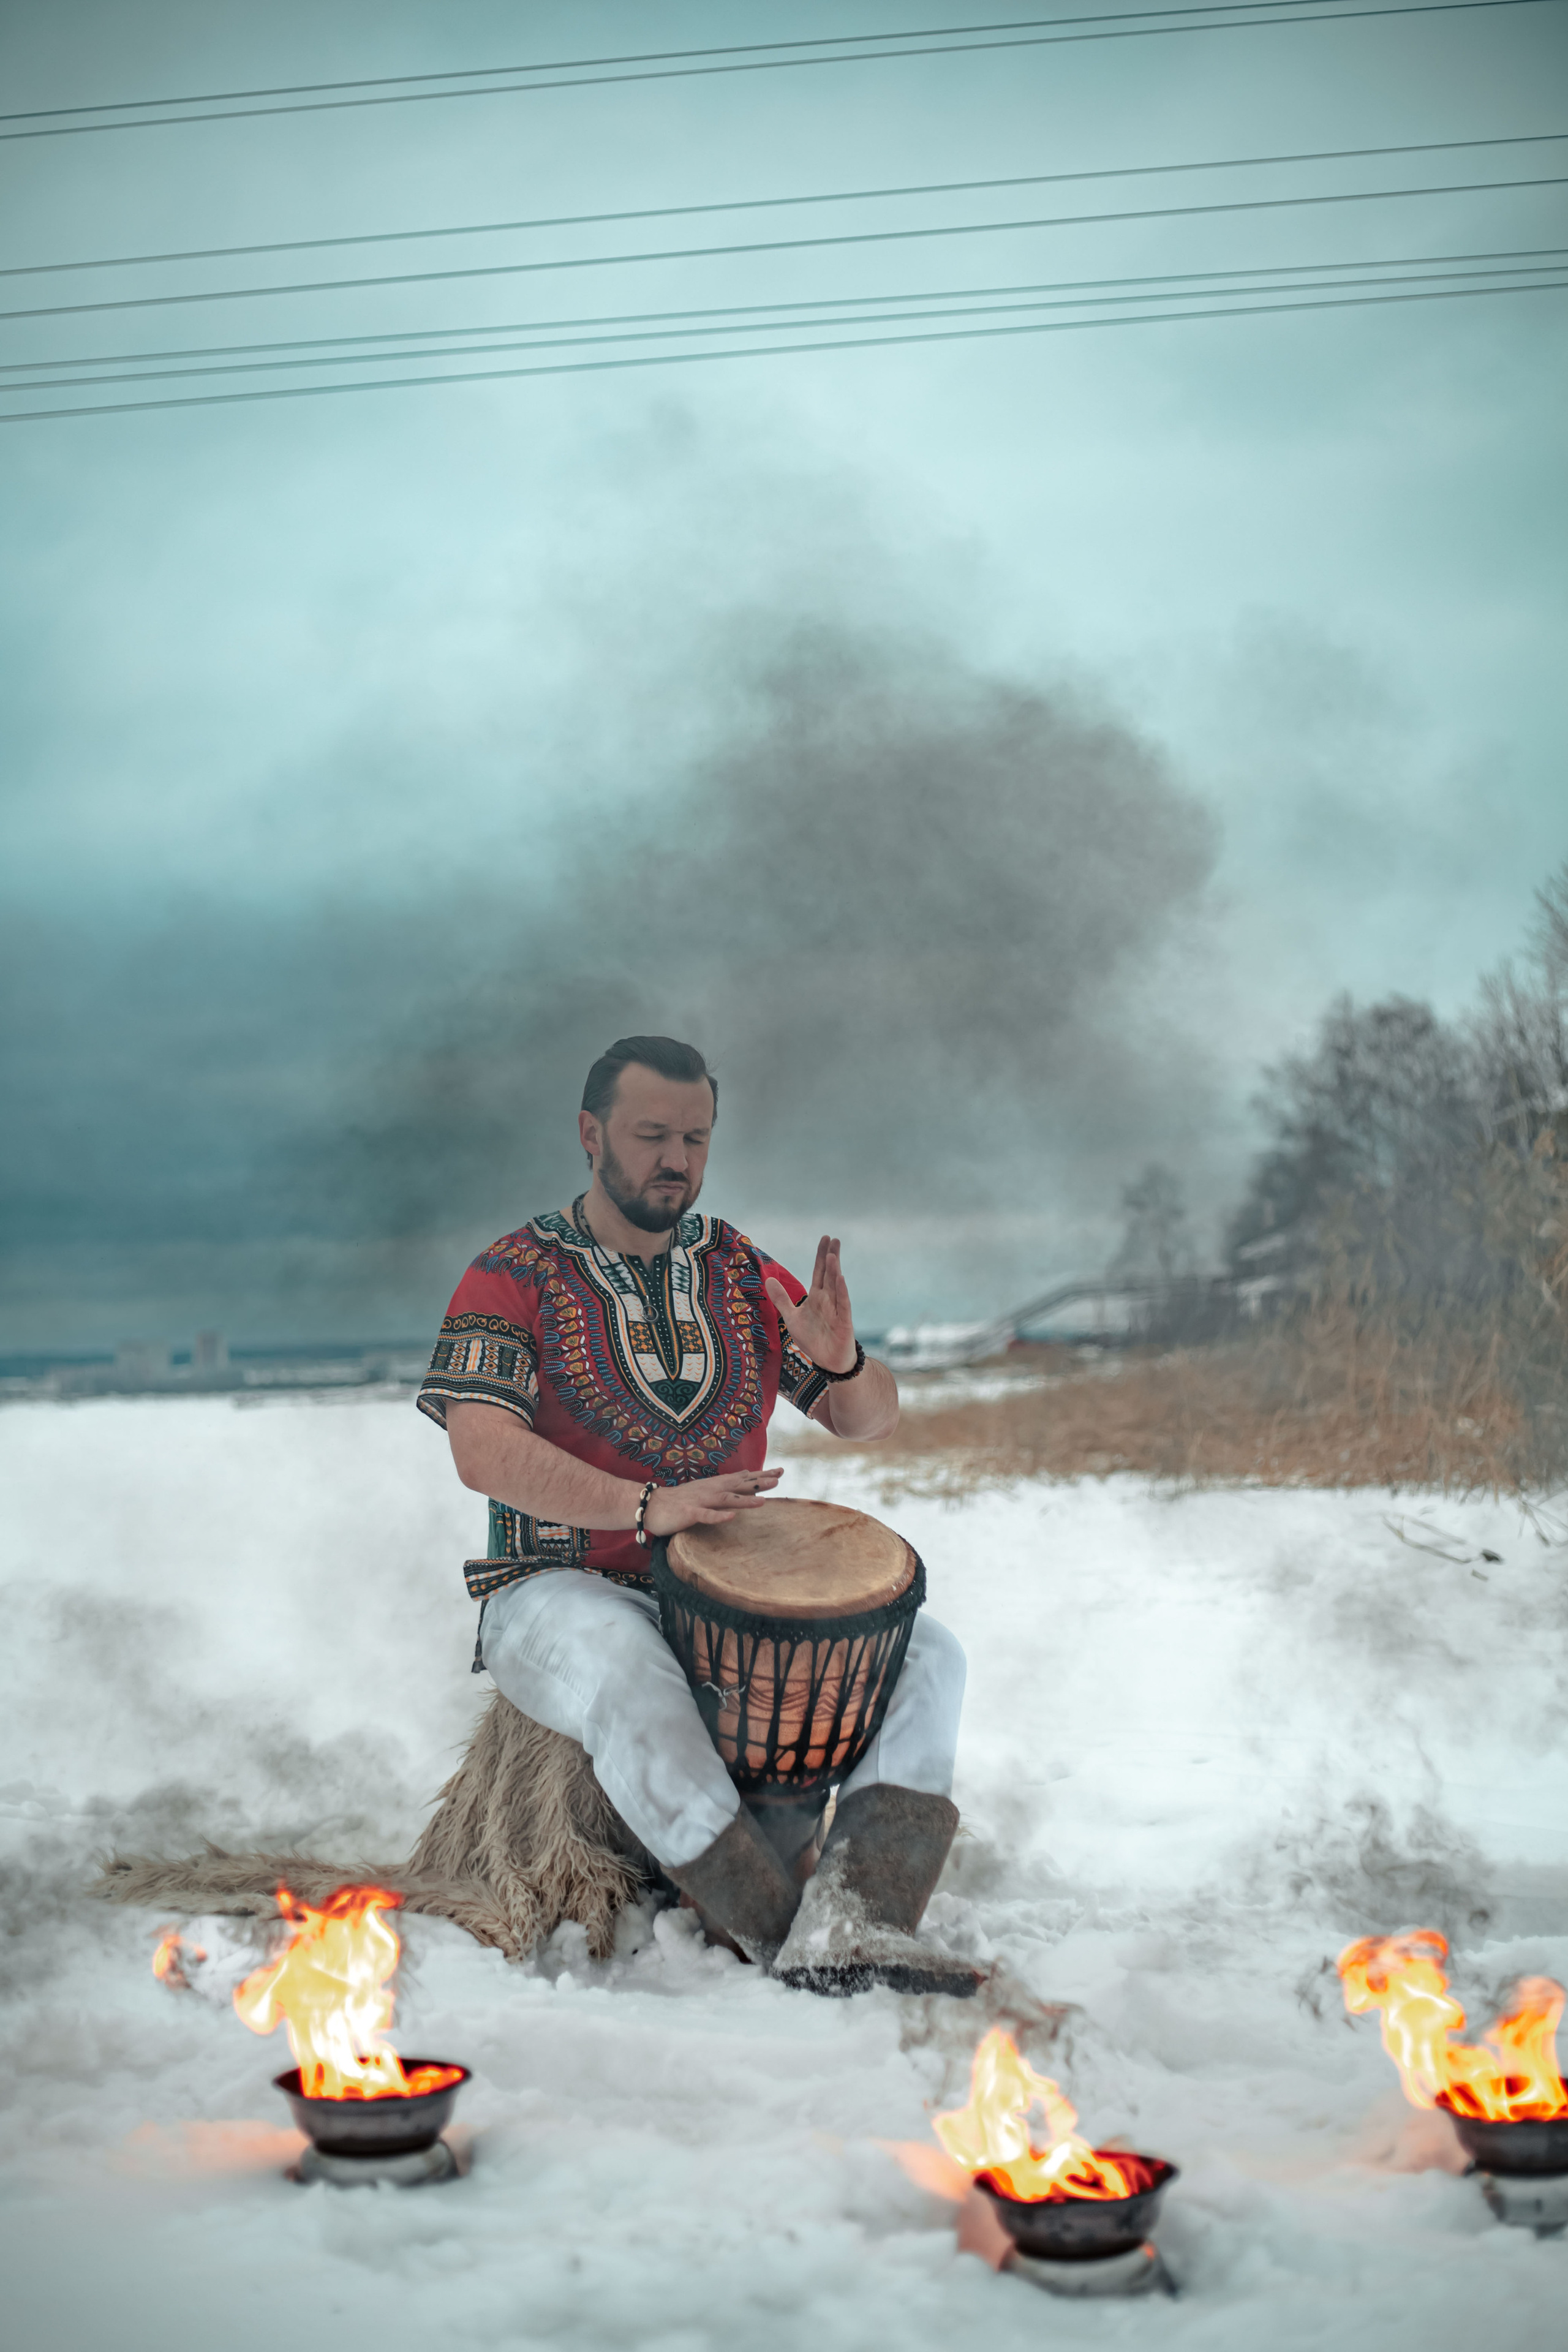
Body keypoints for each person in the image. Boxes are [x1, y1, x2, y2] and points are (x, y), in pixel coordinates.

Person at [417, 1035, 976, 1995]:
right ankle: (768, 1930)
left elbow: (869, 1419)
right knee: (632, 1674)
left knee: (930, 1654)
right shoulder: (508, 1274)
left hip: (729, 1604)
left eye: (696, 1138)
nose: (676, 1159)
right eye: (650, 1135)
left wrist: (843, 1365)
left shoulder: (739, 1271)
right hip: (560, 1589)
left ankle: (863, 1918)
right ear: (590, 1135)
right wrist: (644, 1505)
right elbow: (482, 1452)